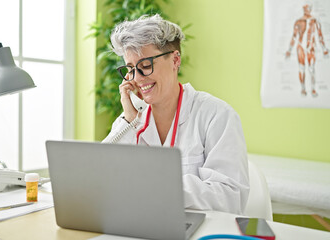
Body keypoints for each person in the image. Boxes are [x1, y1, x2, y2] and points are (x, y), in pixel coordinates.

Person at [102, 14, 249, 215]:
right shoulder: (133, 119)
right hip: (141, 222)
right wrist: (128, 119)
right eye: (130, 69)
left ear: (175, 60)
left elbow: (230, 196)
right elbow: (101, 177)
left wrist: (160, 189)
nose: (137, 78)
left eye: (145, 66)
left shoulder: (216, 115)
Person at [285, 4, 329, 97]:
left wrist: (324, 49)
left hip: (310, 48)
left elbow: (320, 35)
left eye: (308, 8)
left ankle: (312, 89)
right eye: (305, 8)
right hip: (301, 47)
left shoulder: (315, 21)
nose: (307, 10)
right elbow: (294, 37)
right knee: (302, 68)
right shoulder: (298, 21)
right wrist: (289, 50)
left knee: (311, 69)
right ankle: (303, 89)